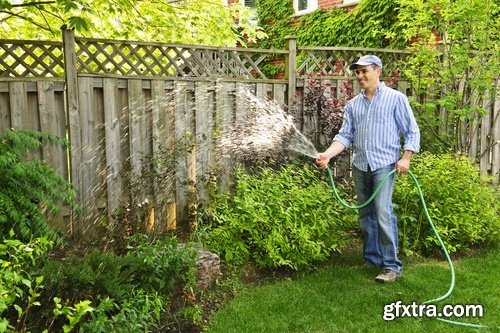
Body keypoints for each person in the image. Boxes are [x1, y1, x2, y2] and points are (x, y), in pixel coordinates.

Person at [316, 55, 420, 283]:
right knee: (365, 214)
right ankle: (372, 259)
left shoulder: (395, 99)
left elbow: (412, 131)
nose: (360, 76)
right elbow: (344, 136)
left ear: (378, 71)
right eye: (358, 72)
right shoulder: (353, 105)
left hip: (384, 166)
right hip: (361, 165)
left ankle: (391, 265)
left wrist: (406, 158)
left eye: (365, 71)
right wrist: (328, 154)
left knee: (383, 212)